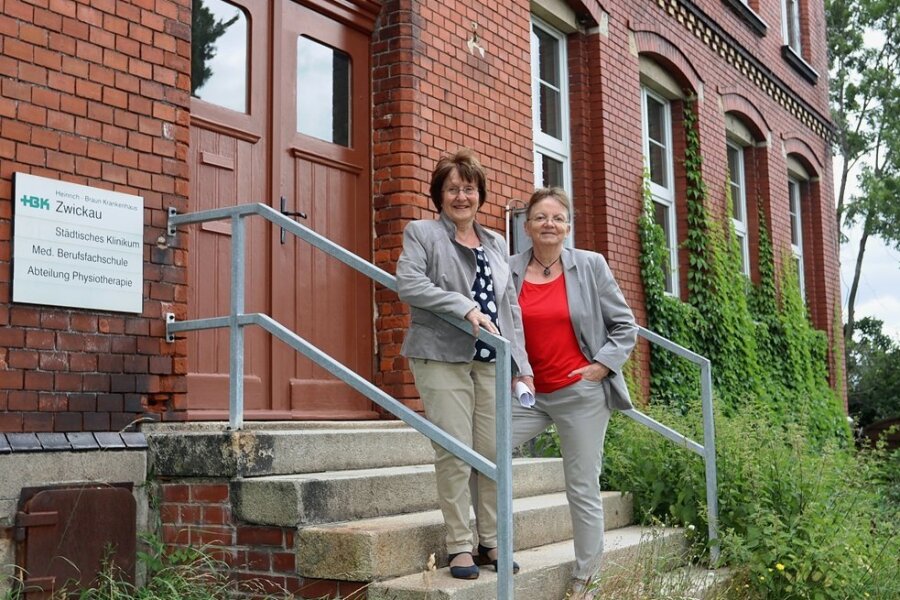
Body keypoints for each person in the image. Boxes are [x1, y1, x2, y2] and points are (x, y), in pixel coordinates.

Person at [396, 149, 534, 580]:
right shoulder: (422, 234)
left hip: (491, 359)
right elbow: (409, 283)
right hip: (440, 354)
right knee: (455, 451)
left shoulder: (495, 243)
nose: (461, 196)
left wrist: (521, 365)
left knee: (493, 453)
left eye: (469, 189)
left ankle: (491, 541)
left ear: (480, 194)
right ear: (439, 194)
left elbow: (510, 307)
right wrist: (463, 306)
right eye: (453, 189)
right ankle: (459, 546)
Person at [510, 187, 637, 599]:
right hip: (528, 394)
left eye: (557, 217)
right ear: (526, 227)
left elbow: (625, 325)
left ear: (567, 227)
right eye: (540, 217)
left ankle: (587, 577)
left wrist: (600, 366)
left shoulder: (590, 265)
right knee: (482, 454)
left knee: (581, 485)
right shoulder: (507, 269)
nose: (549, 224)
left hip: (580, 392)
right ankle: (490, 545)